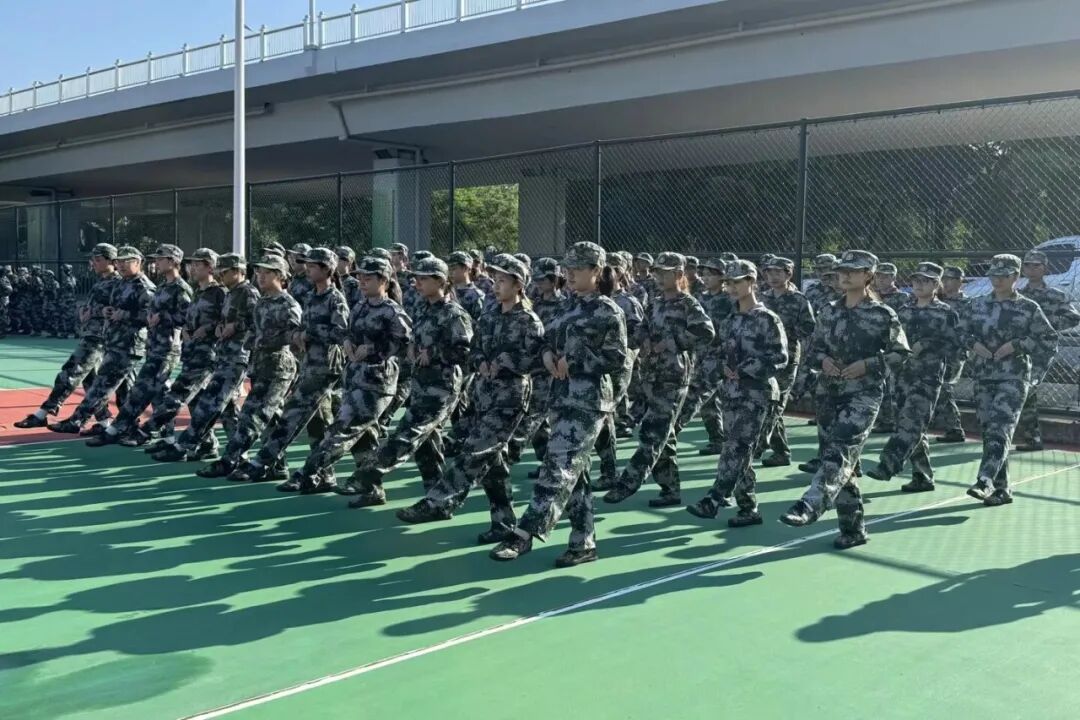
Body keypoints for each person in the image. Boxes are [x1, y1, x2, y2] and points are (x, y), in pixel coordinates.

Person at [488, 241, 627, 567]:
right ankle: (583, 544)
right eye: (568, 269)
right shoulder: (567, 306)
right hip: (561, 396)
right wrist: (548, 355)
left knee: (558, 466)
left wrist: (575, 361)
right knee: (576, 475)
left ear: (596, 271)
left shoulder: (608, 311)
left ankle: (524, 533)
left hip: (588, 401)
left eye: (577, 269)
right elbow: (545, 341)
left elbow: (617, 359)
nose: (571, 274)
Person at [396, 254, 544, 541]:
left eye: (503, 281)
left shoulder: (529, 321)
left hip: (510, 397)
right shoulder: (489, 316)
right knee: (493, 462)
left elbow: (536, 361)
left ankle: (438, 501)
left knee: (475, 452)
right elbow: (472, 351)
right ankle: (503, 523)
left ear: (518, 285)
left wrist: (506, 362)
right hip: (482, 394)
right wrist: (482, 362)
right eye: (495, 280)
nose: (496, 286)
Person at [779, 250, 910, 549]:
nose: (845, 275)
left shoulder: (882, 314)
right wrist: (823, 360)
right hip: (829, 393)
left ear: (868, 275)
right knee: (840, 460)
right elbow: (814, 350)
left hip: (863, 395)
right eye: (842, 270)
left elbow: (900, 353)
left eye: (853, 270)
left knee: (840, 451)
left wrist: (868, 365)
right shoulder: (828, 311)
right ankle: (853, 529)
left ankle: (810, 503)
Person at [344, 256, 473, 508]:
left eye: (423, 279)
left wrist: (433, 353)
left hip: (442, 387)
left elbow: (466, 351)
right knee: (427, 445)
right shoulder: (424, 309)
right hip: (421, 384)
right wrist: (412, 347)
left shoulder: (454, 314)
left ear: (440, 281)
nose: (417, 283)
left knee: (408, 434)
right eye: (416, 279)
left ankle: (366, 475)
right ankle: (437, 499)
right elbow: (410, 338)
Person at [286, 255, 412, 494]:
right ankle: (371, 489)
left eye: (368, 278)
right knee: (362, 435)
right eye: (360, 277)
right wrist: (346, 342)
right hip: (355, 377)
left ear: (384, 281)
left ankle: (309, 471)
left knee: (345, 429)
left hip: (378, 381)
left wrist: (374, 349)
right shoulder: (360, 307)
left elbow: (405, 344)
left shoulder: (392, 311)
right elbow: (348, 332)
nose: (362, 282)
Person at [229, 248, 350, 490]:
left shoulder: (335, 298)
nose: (308, 269)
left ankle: (262, 462)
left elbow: (342, 332)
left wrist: (308, 334)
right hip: (308, 364)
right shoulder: (312, 296)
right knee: (318, 422)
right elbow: (298, 328)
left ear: (327, 269)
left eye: (313, 266)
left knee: (293, 414)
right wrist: (297, 335)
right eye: (307, 265)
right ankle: (324, 476)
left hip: (324, 366)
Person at [602, 252, 715, 508]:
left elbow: (706, 332)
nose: (659, 277)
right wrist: (641, 340)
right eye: (657, 273)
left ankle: (627, 483)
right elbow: (642, 329)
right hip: (651, 376)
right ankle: (670, 489)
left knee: (652, 434)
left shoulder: (688, 304)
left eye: (665, 273)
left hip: (674, 379)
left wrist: (671, 343)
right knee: (666, 436)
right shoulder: (655, 303)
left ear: (679, 274)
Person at [686, 259, 788, 525]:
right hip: (732, 394)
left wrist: (745, 369)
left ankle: (714, 498)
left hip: (758, 394)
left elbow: (780, 357)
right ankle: (748, 508)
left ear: (751, 282)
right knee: (740, 451)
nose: (731, 287)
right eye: (728, 282)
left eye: (737, 282)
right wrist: (720, 368)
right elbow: (718, 352)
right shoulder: (730, 320)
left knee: (737, 448)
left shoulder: (767, 319)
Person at [959, 254, 1057, 506]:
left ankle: (984, 480)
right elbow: (959, 332)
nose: (998, 280)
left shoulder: (1028, 307)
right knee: (989, 432)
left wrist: (1017, 345)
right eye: (994, 274)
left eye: (1004, 275)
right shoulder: (977, 305)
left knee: (1001, 428)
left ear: (1015, 276)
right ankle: (1002, 490)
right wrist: (974, 345)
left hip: (1014, 377)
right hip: (984, 376)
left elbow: (1048, 339)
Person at [193, 254, 302, 477]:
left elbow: (297, 337)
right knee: (267, 417)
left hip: (279, 367)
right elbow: (254, 329)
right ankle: (278, 466)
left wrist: (267, 340)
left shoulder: (288, 304)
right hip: (260, 365)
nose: (261, 276)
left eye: (267, 272)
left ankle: (230, 460)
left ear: (280, 276)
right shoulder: (262, 302)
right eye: (259, 272)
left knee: (254, 417)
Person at [151, 253, 260, 463]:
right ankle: (224, 450)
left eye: (225, 271)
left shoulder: (247, 292)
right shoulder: (231, 293)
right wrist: (218, 326)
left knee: (212, 404)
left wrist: (232, 326)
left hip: (236, 356)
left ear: (238, 271)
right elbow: (222, 319)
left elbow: (256, 320)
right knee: (224, 408)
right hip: (223, 354)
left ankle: (187, 445)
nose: (221, 275)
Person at [866, 263, 959, 492]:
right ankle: (922, 476)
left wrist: (927, 345)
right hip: (901, 376)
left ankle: (888, 464)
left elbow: (956, 346)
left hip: (928, 377)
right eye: (916, 280)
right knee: (910, 425)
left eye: (925, 281)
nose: (919, 284)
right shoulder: (904, 310)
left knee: (912, 423)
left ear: (936, 284)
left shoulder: (946, 313)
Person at [87, 245, 192, 447]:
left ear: (173, 261)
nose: (157, 262)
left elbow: (187, 317)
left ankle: (116, 430)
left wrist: (162, 317)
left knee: (141, 390)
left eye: (161, 259)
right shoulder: (163, 286)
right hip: (154, 345)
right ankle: (167, 437)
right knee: (159, 393)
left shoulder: (181, 288)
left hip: (167, 348)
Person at [47, 246, 155, 434]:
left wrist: (125, 315)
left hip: (129, 344)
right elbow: (109, 307)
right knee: (120, 387)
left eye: (126, 261)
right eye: (119, 261)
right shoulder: (123, 284)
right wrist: (100, 312)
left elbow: (152, 316)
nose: (121, 265)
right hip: (113, 341)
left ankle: (77, 421)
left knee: (103, 385)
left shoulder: (144, 287)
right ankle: (127, 426)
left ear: (138, 262)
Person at [15, 245, 124, 430]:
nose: (94, 263)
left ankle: (43, 413)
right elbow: (91, 306)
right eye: (93, 260)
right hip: (90, 333)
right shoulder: (101, 282)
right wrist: (84, 311)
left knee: (71, 372)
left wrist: (93, 311)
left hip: (100, 337)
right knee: (91, 380)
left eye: (98, 260)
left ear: (111, 261)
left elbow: (113, 310)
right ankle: (104, 422)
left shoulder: (118, 284)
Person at [127, 248, 226, 447]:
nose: (193, 268)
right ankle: (207, 443)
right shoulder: (198, 291)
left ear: (210, 267)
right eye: (192, 264)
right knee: (196, 400)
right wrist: (188, 329)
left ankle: (148, 431)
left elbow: (227, 321)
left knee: (179, 396)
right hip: (191, 352)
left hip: (207, 353)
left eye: (198, 264)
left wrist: (207, 329)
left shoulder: (219, 293)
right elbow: (188, 318)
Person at [1014, 249, 1080, 451]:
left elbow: (1073, 317)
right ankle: (1031, 438)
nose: (1031, 269)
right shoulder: (1018, 295)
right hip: (1020, 348)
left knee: (1028, 387)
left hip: (1043, 349)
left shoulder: (1055, 295)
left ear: (1045, 268)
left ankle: (1031, 437)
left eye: (1036, 265)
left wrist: (1048, 327)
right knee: (1024, 390)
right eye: (1027, 265)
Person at [507, 257, 567, 475]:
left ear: (554, 280)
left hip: (552, 370)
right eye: (537, 280)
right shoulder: (534, 304)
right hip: (533, 366)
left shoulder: (565, 305)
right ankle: (546, 463)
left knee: (537, 416)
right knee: (540, 423)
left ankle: (511, 456)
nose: (539, 284)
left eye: (543, 280)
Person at [758, 256, 815, 467]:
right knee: (768, 402)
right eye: (769, 272)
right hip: (764, 357)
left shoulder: (799, 300)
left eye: (778, 272)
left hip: (788, 357)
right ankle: (781, 452)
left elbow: (809, 327)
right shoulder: (762, 297)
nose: (772, 276)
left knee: (776, 403)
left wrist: (785, 331)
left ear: (788, 274)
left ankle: (759, 444)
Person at [593, 252, 643, 490]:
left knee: (605, 416)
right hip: (596, 367)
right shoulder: (592, 301)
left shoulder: (627, 303)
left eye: (615, 267)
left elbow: (637, 334)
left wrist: (627, 353)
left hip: (617, 366)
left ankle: (609, 470)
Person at [683, 255, 734, 457]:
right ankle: (716, 439)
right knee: (708, 402)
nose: (705, 278)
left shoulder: (729, 300)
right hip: (702, 355)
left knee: (718, 399)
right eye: (704, 274)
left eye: (711, 274)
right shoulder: (700, 298)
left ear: (722, 277)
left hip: (723, 356)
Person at [870, 262, 911, 435]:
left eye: (886, 276)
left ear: (893, 278)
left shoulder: (902, 298)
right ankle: (884, 419)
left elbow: (903, 322)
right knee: (880, 382)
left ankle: (893, 420)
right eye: (879, 275)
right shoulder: (871, 295)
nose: (881, 279)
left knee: (893, 384)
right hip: (875, 344)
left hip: (894, 345)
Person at [932, 266, 969, 443]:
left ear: (961, 282)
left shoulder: (967, 304)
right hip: (935, 351)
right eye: (944, 279)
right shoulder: (936, 301)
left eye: (951, 279)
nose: (946, 283)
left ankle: (955, 428)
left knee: (945, 387)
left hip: (955, 352)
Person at [57, 264, 78, 338]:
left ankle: (66, 333)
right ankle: (76, 332)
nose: (62, 272)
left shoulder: (67, 279)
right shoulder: (72, 278)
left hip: (67, 300)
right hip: (71, 300)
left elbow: (69, 287)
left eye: (63, 270)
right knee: (72, 316)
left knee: (65, 317)